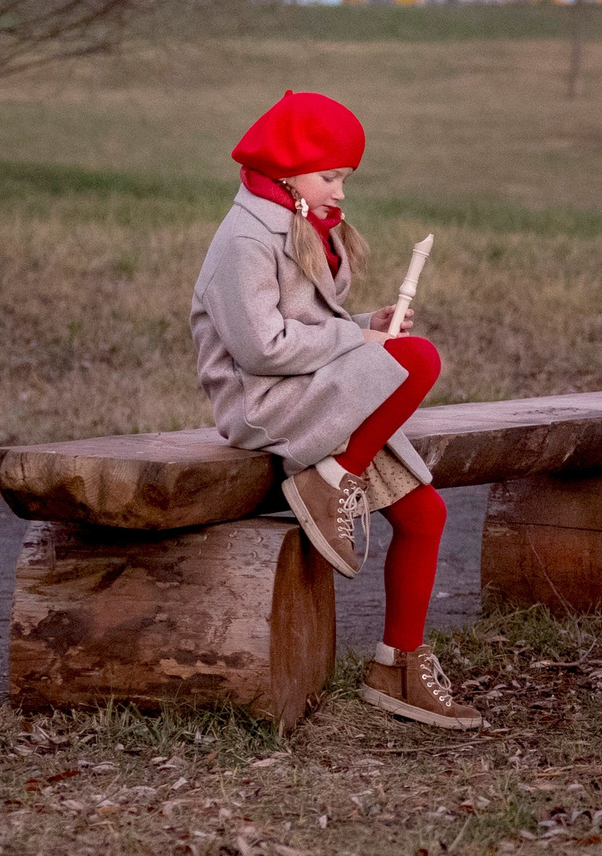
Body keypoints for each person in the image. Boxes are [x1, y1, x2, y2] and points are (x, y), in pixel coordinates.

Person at [191, 89, 482, 730]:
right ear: (287, 169)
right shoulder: (245, 238)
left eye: (345, 179)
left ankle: (396, 667)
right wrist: (361, 341)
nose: (340, 193)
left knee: (426, 512)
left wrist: (363, 323)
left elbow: (308, 324)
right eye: (330, 177)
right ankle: (332, 481)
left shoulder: (305, 228)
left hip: (311, 393)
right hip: (265, 405)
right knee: (419, 359)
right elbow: (262, 349)